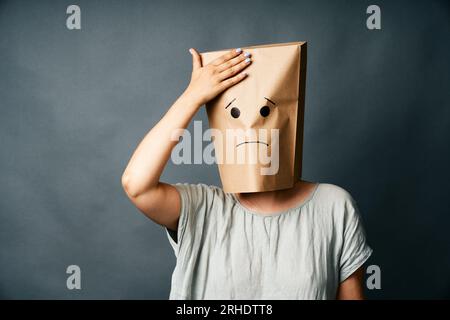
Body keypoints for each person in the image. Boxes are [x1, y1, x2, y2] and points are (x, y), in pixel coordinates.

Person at [121, 47, 373, 300]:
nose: (250, 129)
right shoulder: (202, 208)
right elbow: (136, 184)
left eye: (266, 113)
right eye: (235, 117)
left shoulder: (334, 206)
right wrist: (192, 97)